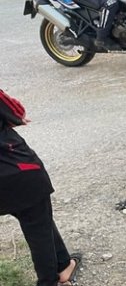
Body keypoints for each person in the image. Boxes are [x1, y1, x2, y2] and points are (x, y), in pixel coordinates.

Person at [0, 89, 81, 286]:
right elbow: (16, 112)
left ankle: (64, 264)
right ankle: (49, 281)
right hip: (16, 170)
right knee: (37, 227)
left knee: (37, 218)